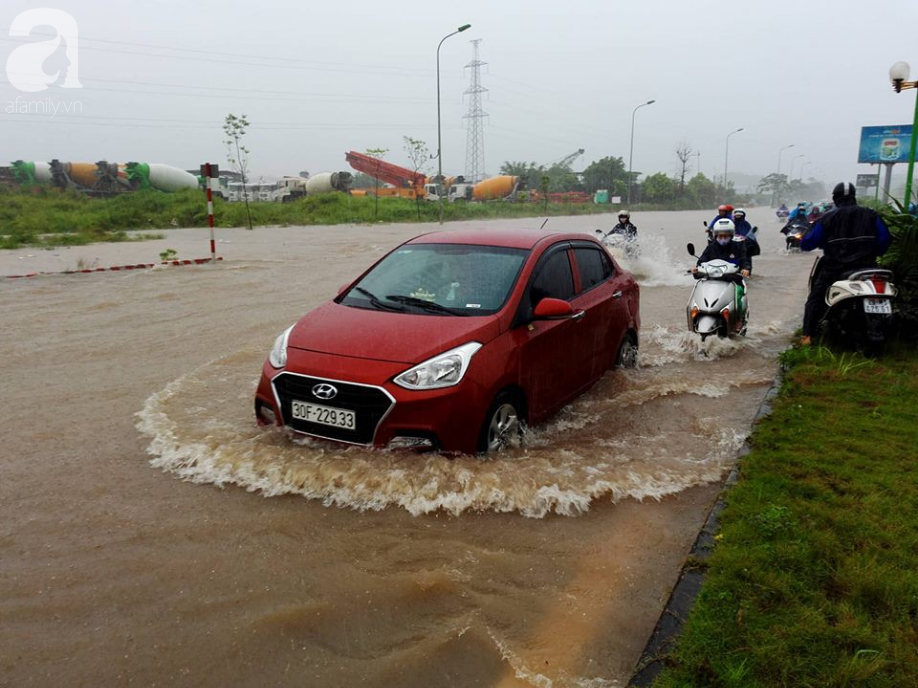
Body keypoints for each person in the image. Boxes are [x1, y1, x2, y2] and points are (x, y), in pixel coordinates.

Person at [799, 182, 892, 346]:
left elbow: (808, 243)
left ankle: (807, 336)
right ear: (854, 197)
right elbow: (885, 239)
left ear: (835, 199)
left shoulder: (827, 218)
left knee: (815, 299)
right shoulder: (871, 214)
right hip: (867, 266)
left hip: (835, 267)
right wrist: (874, 253)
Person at [693, 218, 751, 319]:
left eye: (725, 236)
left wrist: (745, 268)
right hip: (711, 281)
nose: (722, 238)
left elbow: (744, 260)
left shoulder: (738, 247)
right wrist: (696, 269)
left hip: (733, 282)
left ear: (731, 235)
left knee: (738, 295)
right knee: (697, 297)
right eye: (720, 236)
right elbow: (701, 262)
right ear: (716, 236)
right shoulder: (711, 248)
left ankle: (739, 320)